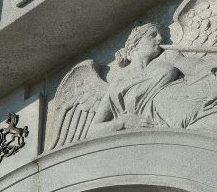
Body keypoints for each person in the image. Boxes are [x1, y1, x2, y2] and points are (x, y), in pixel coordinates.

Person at [89, 23, 217, 134]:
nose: (160, 38)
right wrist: (122, 122)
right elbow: (93, 130)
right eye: (153, 35)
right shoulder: (118, 84)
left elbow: (196, 67)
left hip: (195, 105)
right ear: (135, 43)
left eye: (161, 35)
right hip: (163, 125)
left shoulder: (169, 56)